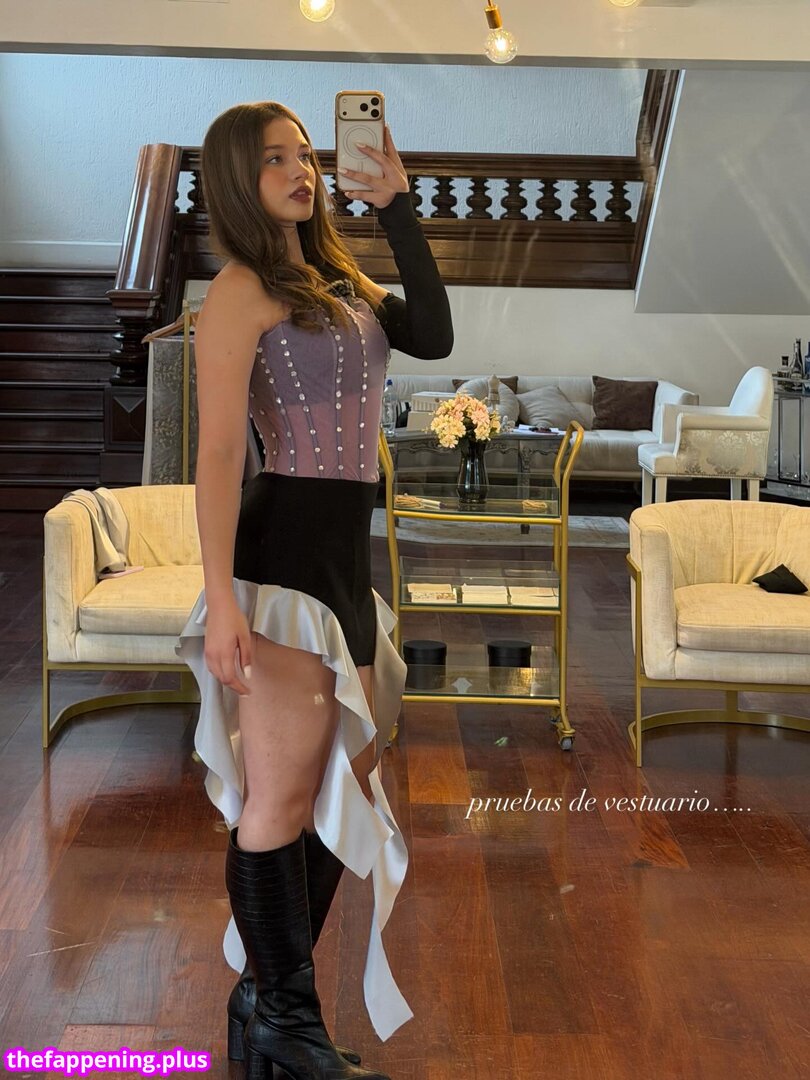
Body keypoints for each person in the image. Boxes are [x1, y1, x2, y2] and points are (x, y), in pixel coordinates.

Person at [175, 100, 453, 1080]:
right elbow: (218, 455)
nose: (300, 169)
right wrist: (221, 600)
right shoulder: (239, 290)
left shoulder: (340, 276)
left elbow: (433, 334)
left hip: (345, 559)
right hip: (283, 557)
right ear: (235, 182)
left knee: (349, 778)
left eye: (304, 153)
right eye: (274, 160)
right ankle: (286, 1024)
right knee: (282, 797)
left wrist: (398, 205)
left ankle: (266, 1008)